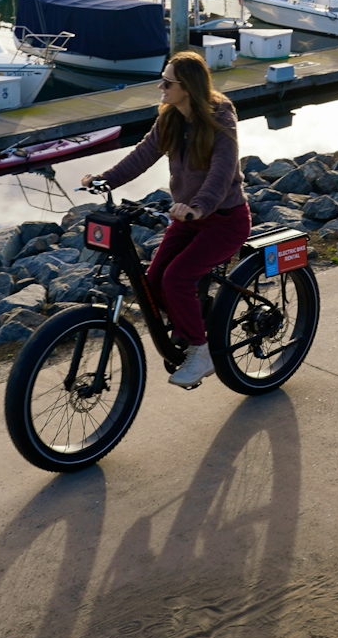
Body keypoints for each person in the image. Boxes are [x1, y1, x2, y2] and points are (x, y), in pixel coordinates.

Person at [82, 49, 250, 389]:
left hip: (225, 219)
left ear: (186, 87)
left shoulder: (221, 116)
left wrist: (199, 206)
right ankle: (193, 327)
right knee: (154, 282)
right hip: (189, 220)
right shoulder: (171, 117)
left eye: (167, 82)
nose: (161, 87)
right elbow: (142, 155)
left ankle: (200, 352)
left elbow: (222, 170)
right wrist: (106, 179)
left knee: (177, 279)